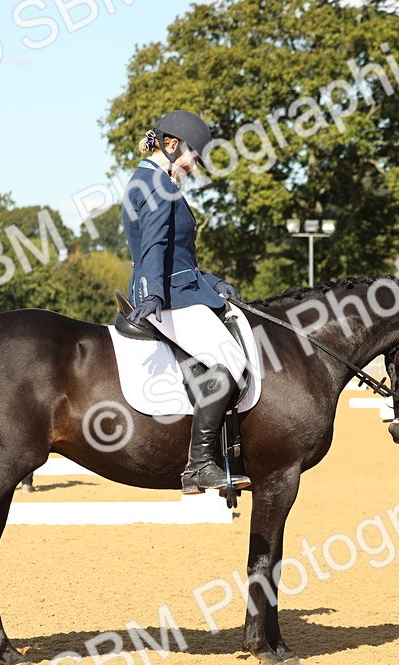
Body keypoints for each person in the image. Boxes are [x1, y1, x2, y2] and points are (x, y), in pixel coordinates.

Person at [122, 110, 250, 495]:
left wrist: (214, 283)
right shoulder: (155, 183)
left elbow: (180, 258)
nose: (194, 165)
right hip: (169, 296)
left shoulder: (154, 180)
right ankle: (199, 466)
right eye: (194, 156)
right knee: (231, 360)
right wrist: (152, 293)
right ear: (172, 145)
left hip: (180, 287)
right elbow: (154, 245)